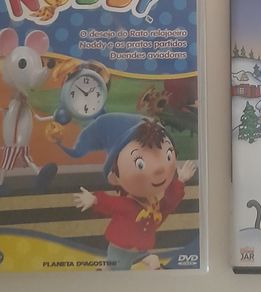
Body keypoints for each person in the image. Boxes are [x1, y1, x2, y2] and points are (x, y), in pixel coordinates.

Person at [64, 113, 196, 270]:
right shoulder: (127, 205)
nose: (159, 169)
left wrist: (180, 181)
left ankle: (109, 267)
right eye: (140, 164)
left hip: (140, 250)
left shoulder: (155, 205)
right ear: (115, 176)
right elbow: (110, 203)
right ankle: (106, 267)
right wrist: (94, 199)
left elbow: (169, 203)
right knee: (117, 271)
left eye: (167, 156)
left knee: (148, 261)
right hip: (120, 250)